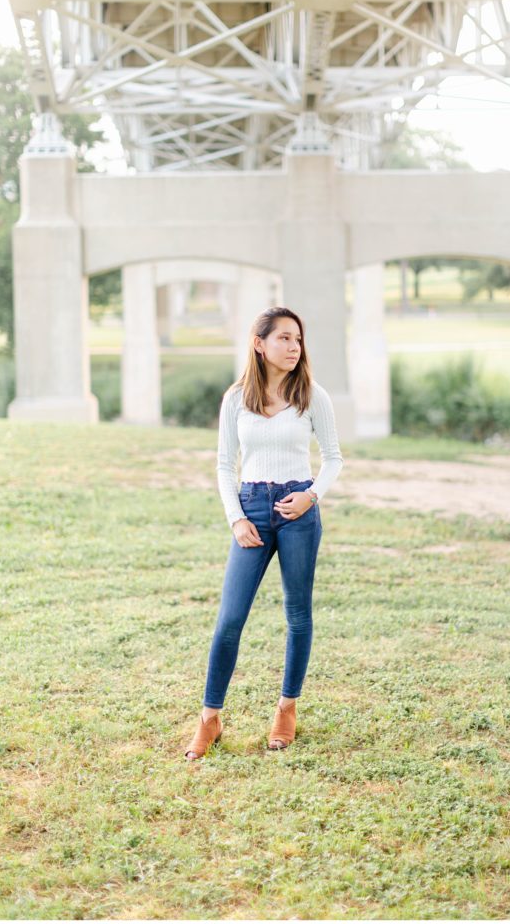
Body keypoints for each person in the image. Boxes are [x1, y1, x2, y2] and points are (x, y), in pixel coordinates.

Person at [184, 306, 344, 760]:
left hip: (299, 509)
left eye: (298, 339)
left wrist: (311, 496)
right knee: (230, 620)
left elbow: (333, 458)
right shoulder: (236, 398)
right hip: (251, 508)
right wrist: (237, 518)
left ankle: (286, 709)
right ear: (260, 343)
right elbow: (223, 465)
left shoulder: (313, 395)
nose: (294, 347)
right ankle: (210, 719)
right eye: (284, 339)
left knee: (298, 614)